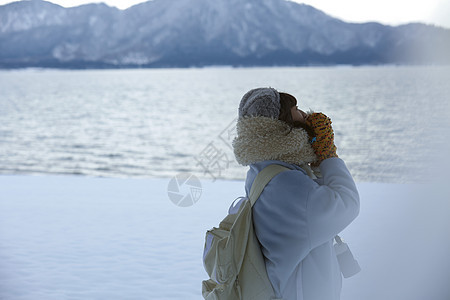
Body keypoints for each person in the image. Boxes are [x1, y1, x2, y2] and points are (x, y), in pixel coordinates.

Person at [232, 87, 360, 300]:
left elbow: (312, 198)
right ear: (279, 124)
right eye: (296, 109)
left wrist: (317, 163)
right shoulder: (285, 183)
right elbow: (347, 204)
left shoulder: (264, 169)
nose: (305, 115)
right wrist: (328, 154)